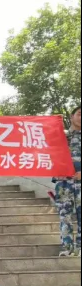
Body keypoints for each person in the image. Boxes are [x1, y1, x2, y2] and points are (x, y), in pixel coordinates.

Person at [55, 105, 82, 257]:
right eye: (79, 114)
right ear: (71, 117)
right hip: (63, 183)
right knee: (65, 216)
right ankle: (67, 248)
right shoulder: (60, 136)